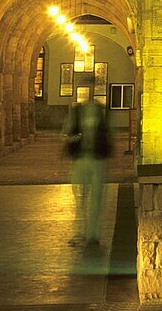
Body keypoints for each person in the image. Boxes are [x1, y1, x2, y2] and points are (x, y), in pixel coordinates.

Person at [63, 91, 112, 252]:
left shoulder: (101, 112)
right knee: (80, 198)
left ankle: (92, 234)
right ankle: (82, 233)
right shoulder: (77, 112)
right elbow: (68, 132)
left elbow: (108, 134)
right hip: (81, 159)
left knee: (95, 199)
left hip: (97, 160)